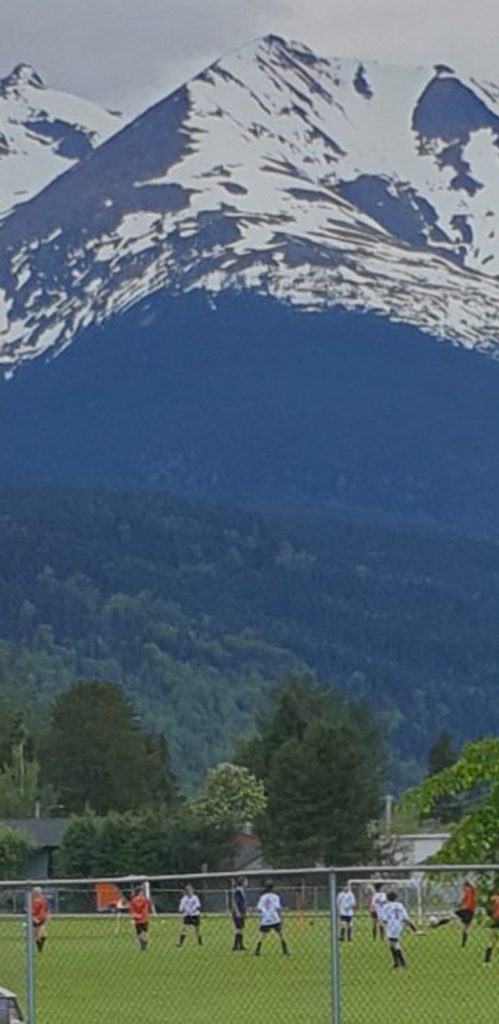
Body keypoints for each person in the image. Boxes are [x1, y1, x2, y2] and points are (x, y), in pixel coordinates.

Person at [380, 890, 417, 969]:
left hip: (391, 926)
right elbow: (405, 918)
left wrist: (384, 924)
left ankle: (402, 963)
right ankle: (396, 963)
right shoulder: (400, 905)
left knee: (395, 944)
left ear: (387, 898)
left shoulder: (386, 906)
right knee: (391, 944)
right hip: (399, 926)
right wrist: (413, 927)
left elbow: (384, 919)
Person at [254, 881, 289, 957]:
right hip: (274, 918)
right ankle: (285, 949)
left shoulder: (262, 897)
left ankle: (257, 950)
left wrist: (262, 916)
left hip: (265, 919)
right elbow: (278, 908)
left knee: (262, 935)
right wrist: (281, 917)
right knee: (281, 934)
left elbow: (259, 908)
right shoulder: (276, 896)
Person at [128, 883, 152, 951]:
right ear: (138, 892)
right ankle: (142, 945)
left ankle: (144, 945)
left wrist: (140, 915)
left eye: (142, 892)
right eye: (141, 892)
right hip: (138, 919)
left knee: (144, 932)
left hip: (143, 919)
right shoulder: (134, 900)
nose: (142, 893)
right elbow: (132, 909)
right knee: (140, 933)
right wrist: (135, 915)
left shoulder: (144, 900)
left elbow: (145, 908)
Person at [456, 879, 477, 947]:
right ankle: (463, 942)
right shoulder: (472, 890)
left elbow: (462, 899)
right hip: (470, 910)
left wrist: (460, 903)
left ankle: (458, 922)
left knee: (464, 926)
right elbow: (463, 899)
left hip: (466, 909)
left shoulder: (467, 890)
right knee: (466, 927)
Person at [483, 890, 499, 965]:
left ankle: (486, 961)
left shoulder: (493, 899)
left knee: (491, 942)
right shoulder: (495, 899)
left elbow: (489, 911)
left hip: (494, 921)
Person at [231, 877, 247, 951]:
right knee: (238, 929)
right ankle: (235, 945)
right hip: (238, 912)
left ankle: (240, 945)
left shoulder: (241, 890)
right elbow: (235, 903)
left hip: (241, 912)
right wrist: (237, 912)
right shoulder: (238, 891)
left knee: (241, 929)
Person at [32, 886, 48, 953]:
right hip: (34, 918)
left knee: (39, 933)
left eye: (37, 893)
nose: (35, 894)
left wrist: (38, 918)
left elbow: (43, 910)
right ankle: (39, 947)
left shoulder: (42, 900)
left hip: (40, 918)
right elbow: (30, 909)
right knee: (36, 934)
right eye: (35, 892)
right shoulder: (31, 900)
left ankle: (39, 947)